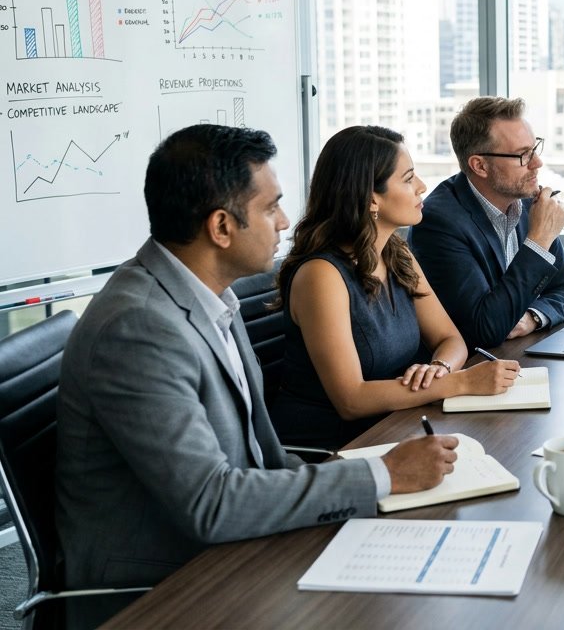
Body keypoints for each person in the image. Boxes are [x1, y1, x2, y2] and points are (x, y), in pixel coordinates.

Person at [56, 125, 460, 624]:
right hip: (165, 584)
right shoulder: (139, 327)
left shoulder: (211, 299)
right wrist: (382, 474)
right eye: (270, 208)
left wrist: (373, 487)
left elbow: (264, 456)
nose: (286, 221)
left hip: (235, 541)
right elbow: (211, 504)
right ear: (222, 227)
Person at [271, 125, 520, 449]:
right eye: (408, 179)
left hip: (396, 427)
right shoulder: (321, 275)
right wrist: (458, 383)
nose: (421, 186)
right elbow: (351, 399)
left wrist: (439, 370)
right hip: (332, 451)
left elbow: (450, 339)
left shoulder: (395, 253)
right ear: (371, 198)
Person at [409, 97, 564, 349]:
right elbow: (484, 329)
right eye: (523, 155)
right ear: (479, 165)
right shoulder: (439, 223)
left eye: (534, 149)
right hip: (472, 369)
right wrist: (539, 240)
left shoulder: (524, 201)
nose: (537, 163)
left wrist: (533, 317)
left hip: (518, 355)